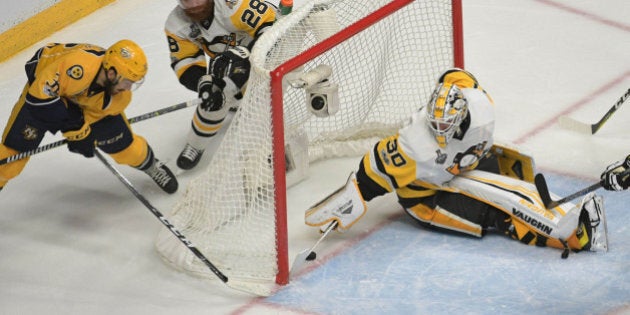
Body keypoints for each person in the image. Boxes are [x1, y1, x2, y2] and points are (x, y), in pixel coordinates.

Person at [305, 68, 608, 255]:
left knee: (518, 170)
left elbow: (451, 74)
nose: (438, 132)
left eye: (445, 127)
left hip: (462, 167)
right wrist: (342, 207)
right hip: (428, 198)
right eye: (434, 125)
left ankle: (549, 214)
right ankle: (567, 238)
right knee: (495, 213)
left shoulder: (473, 98)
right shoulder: (414, 145)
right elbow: (371, 175)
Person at [0, 40, 178, 194]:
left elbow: (88, 121)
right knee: (10, 158)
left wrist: (82, 134)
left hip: (85, 100)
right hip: (45, 90)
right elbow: (39, 97)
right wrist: (74, 127)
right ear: (111, 73)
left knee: (126, 148)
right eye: (126, 81)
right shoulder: (79, 66)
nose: (128, 88)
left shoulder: (118, 97)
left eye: (132, 83)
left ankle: (151, 166)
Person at [165, 0, 277, 170]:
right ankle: (196, 144)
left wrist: (247, 57)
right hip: (229, 64)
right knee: (213, 96)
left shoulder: (234, 5)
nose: (194, 4)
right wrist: (204, 84)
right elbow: (186, 62)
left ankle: (271, 145)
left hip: (268, 56)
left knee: (263, 106)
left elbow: (273, 28)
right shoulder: (176, 24)